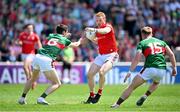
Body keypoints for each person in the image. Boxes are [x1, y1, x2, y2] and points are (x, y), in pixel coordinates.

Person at [111, 26, 177, 108]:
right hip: (162, 69)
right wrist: (174, 68)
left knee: (131, 87)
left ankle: (117, 104)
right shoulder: (162, 42)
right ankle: (145, 95)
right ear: (152, 33)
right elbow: (171, 54)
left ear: (142, 34)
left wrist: (130, 71)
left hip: (150, 68)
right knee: (156, 83)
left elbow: (137, 58)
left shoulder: (142, 43)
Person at [18, 24, 80, 105]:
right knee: (57, 83)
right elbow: (75, 45)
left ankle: (22, 98)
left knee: (32, 79)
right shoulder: (64, 39)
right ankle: (41, 98)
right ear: (64, 32)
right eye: (66, 31)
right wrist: (81, 40)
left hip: (37, 56)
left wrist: (64, 36)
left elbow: (56, 40)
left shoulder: (51, 35)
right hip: (46, 59)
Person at [80, 12, 119, 104]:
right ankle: (91, 95)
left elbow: (104, 31)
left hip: (112, 54)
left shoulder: (108, 27)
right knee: (89, 75)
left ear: (104, 19)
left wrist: (93, 30)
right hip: (101, 55)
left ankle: (99, 93)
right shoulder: (97, 30)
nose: (98, 22)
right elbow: (97, 41)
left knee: (101, 72)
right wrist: (89, 37)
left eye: (100, 20)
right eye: (97, 20)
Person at [18, 24, 42, 89]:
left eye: (31, 28)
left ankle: (29, 80)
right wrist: (19, 43)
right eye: (28, 28)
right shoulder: (22, 35)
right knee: (28, 68)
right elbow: (19, 41)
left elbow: (39, 44)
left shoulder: (35, 36)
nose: (30, 29)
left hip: (31, 54)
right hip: (23, 54)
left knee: (25, 66)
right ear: (26, 29)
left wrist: (41, 51)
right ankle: (33, 81)